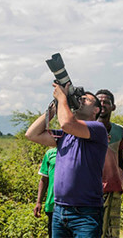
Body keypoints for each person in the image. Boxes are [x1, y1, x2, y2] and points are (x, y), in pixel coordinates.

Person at [26, 82, 108, 237]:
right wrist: (55, 107)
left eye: (87, 100)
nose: (81, 100)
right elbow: (32, 134)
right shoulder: (64, 136)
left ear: (96, 110)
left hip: (86, 213)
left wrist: (62, 97)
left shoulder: (98, 129)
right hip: (59, 210)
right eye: (80, 98)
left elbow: (67, 123)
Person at [96, 89, 123, 238]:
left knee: (112, 233)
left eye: (107, 102)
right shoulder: (85, 128)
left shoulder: (119, 131)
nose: (103, 104)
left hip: (114, 190)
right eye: (99, 101)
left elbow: (120, 164)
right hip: (91, 191)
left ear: (113, 107)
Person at [34, 147, 57, 238]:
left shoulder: (77, 152)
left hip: (73, 205)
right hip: (52, 205)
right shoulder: (50, 153)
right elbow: (44, 179)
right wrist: (39, 202)